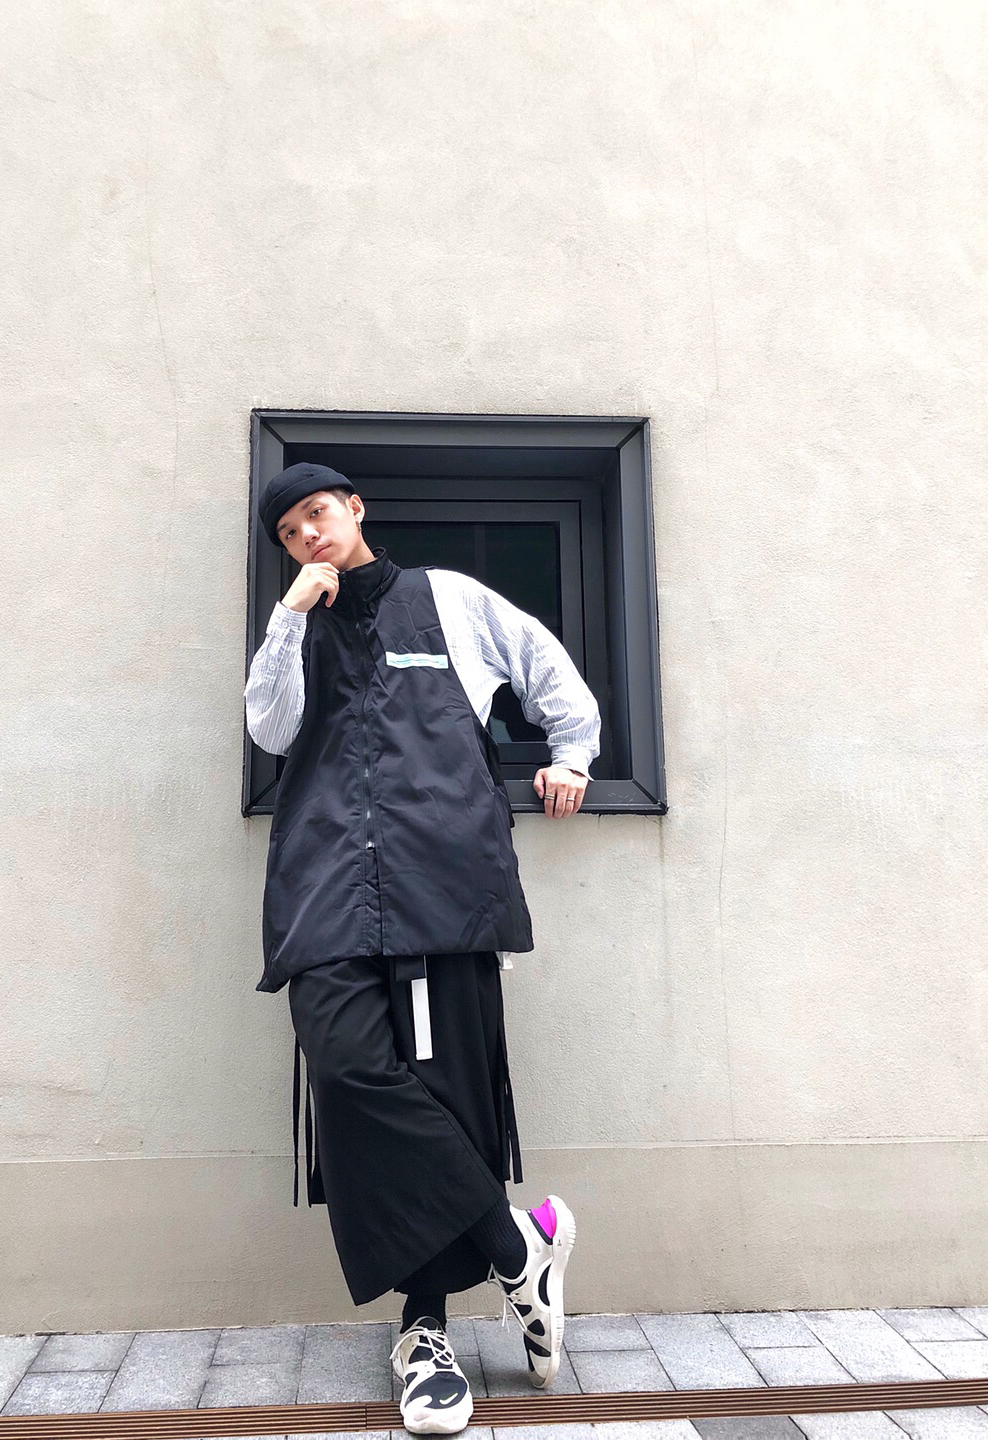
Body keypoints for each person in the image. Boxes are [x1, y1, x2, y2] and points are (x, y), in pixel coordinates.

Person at [244, 462, 601, 1434]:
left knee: (446, 1094)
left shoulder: (449, 599)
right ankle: (518, 1250)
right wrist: (289, 616)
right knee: (348, 1069)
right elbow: (271, 729)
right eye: (290, 532)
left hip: (444, 879)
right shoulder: (295, 626)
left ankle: (425, 1333)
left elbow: (548, 673)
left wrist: (571, 756)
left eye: (317, 514)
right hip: (327, 885)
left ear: (353, 509)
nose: (308, 535)